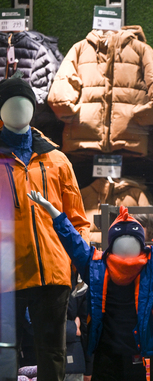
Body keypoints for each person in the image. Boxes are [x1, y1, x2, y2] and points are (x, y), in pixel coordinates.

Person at [27, 178, 153, 381]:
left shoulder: (146, 266)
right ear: (112, 245)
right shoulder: (100, 267)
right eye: (122, 242)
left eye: (133, 241)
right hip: (108, 355)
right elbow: (73, 241)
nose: (127, 248)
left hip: (134, 354)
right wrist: (53, 211)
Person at [0, 74, 90, 381]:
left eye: (24, 103)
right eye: (10, 104)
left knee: (52, 353)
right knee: (5, 354)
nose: (18, 110)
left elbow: (77, 218)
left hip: (52, 273)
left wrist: (77, 262)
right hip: (6, 275)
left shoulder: (57, 160)